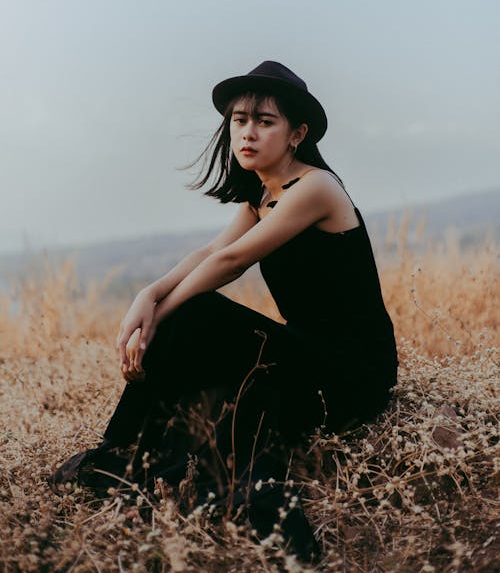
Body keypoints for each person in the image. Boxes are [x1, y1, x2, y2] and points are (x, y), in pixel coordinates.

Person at [49, 60, 398, 562]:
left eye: (264, 121)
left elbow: (233, 261)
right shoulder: (264, 192)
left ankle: (118, 455)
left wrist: (163, 314)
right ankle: (123, 456)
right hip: (304, 353)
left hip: (350, 374)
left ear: (297, 133)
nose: (248, 133)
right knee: (203, 353)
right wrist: (147, 296)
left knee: (197, 315)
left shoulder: (316, 188)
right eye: (239, 120)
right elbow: (210, 251)